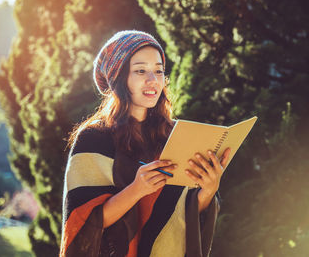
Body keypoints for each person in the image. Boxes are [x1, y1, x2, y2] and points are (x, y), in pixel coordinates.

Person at [60, 30, 231, 257]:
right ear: (119, 78)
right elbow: (83, 223)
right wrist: (136, 190)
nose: (153, 80)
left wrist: (209, 190)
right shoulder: (93, 138)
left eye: (158, 71)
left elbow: (183, 213)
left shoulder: (174, 135)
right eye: (140, 70)